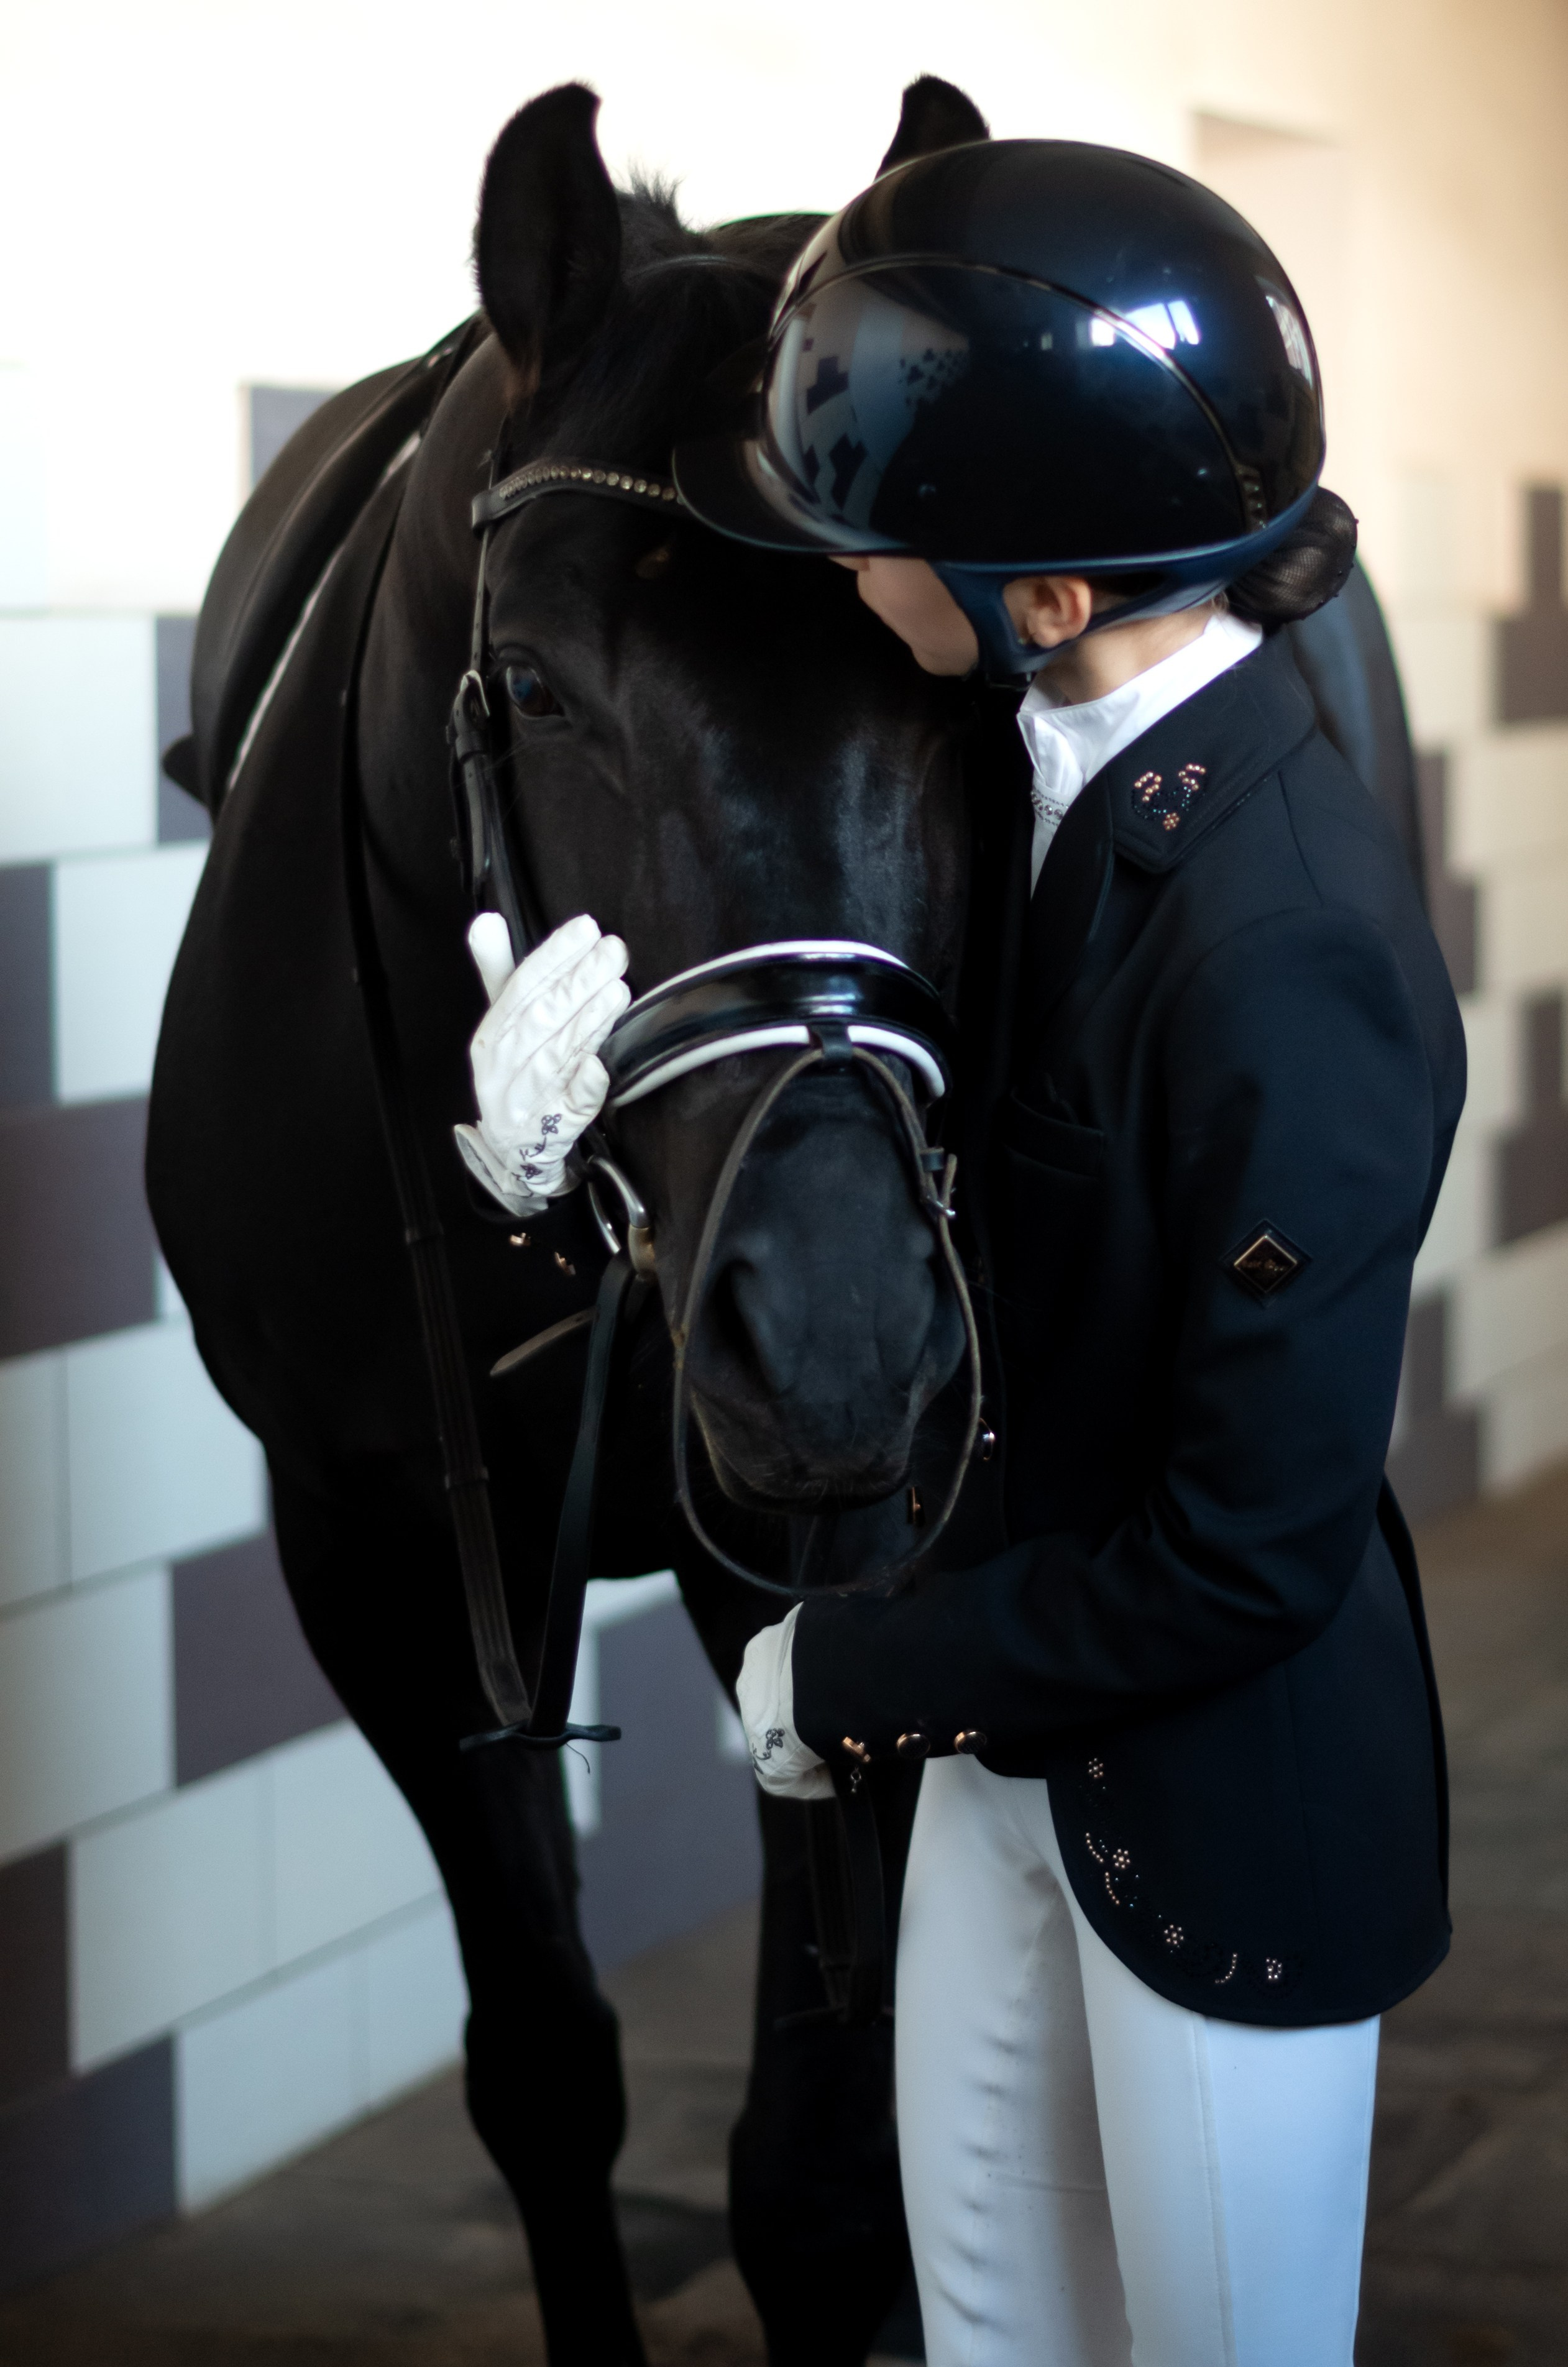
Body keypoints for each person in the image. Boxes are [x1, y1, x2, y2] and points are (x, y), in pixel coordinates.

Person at [457, 138, 1464, 2367]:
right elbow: (912, 1170)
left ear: (1037, 594)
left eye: (864, 543)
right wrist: (586, 1154)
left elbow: (1248, 1556)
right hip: (1009, 1777)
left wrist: (846, 1669)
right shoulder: (1068, 763)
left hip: (1210, 1824)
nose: (837, 582)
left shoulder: (1284, 943)